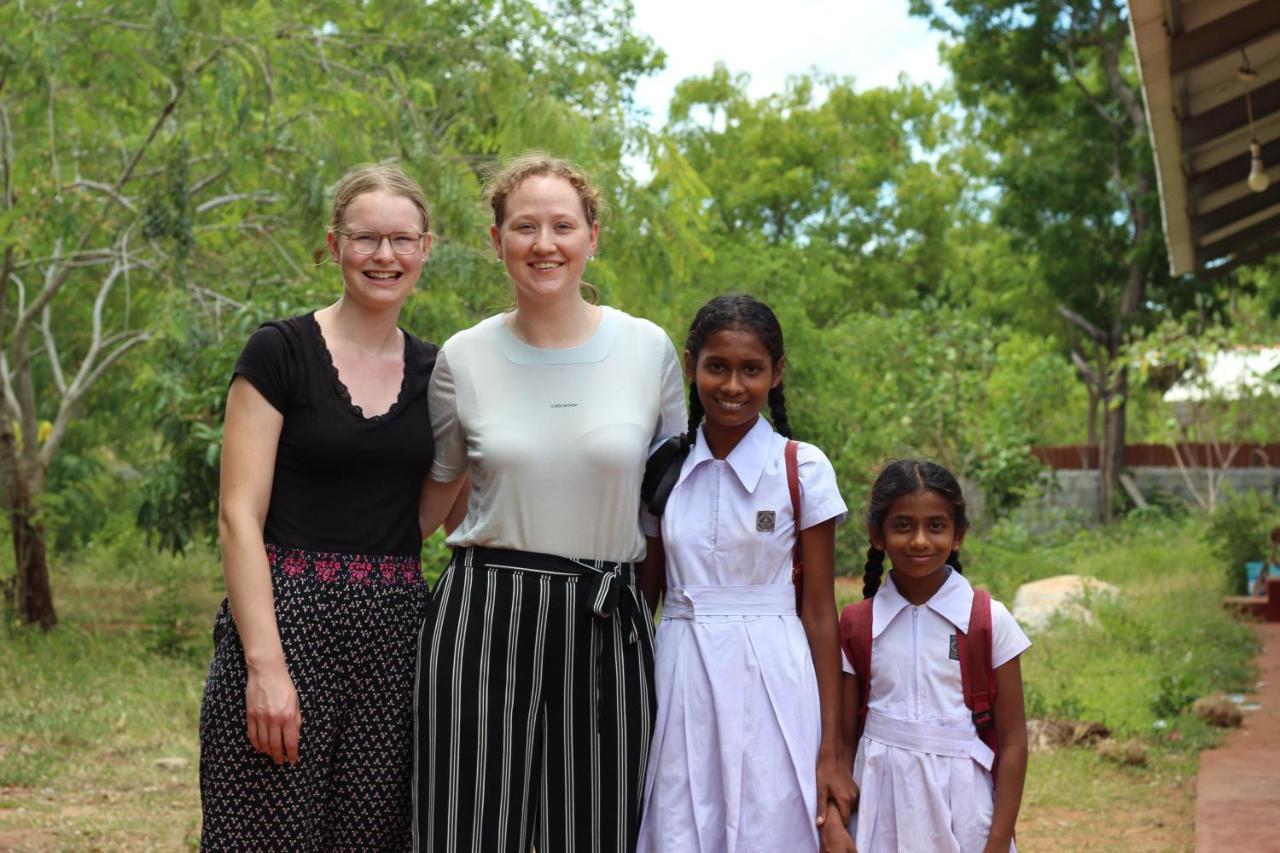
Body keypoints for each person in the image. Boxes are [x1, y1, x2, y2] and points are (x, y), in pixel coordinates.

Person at [413, 152, 686, 852]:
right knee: (466, 827)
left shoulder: (647, 349)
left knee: (597, 827)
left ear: (593, 235)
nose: (544, 243)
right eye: (525, 226)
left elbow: (672, 509)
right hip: (483, 613)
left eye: (563, 225)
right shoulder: (463, 357)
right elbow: (442, 494)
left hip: (606, 615)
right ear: (497, 239)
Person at [199, 164, 438, 850]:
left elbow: (420, 512)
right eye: (365, 239)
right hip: (286, 625)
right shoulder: (279, 351)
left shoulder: (439, 371)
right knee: (266, 832)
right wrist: (264, 665)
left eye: (401, 240)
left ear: (427, 248)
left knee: (374, 837)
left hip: (395, 639)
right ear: (333, 246)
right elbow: (237, 516)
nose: (384, 256)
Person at [635, 293, 858, 852]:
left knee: (769, 820)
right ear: (691, 366)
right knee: (682, 821)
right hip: (681, 671)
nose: (732, 386)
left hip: (774, 673)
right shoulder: (665, 465)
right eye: (717, 367)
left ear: (776, 374)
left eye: (751, 370)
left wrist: (831, 750)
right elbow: (647, 595)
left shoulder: (801, 468)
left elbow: (819, 613)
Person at [826, 460, 1030, 853]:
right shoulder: (856, 625)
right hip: (879, 809)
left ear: (958, 535)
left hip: (965, 809)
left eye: (936, 526)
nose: (920, 540)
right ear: (877, 534)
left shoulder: (988, 621)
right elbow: (843, 742)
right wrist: (836, 821)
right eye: (903, 525)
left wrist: (999, 841)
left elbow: (1013, 742)